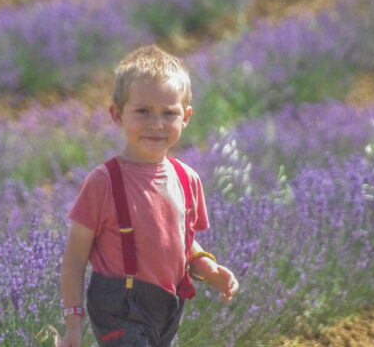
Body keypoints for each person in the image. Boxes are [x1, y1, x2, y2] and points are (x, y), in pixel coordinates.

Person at [58, 45, 239, 347]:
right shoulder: (103, 183)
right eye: (143, 111)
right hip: (118, 306)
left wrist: (207, 268)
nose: (156, 123)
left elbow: (182, 240)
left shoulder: (187, 180)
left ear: (186, 118)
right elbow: (74, 260)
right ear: (117, 114)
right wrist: (73, 324)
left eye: (169, 113)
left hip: (169, 305)